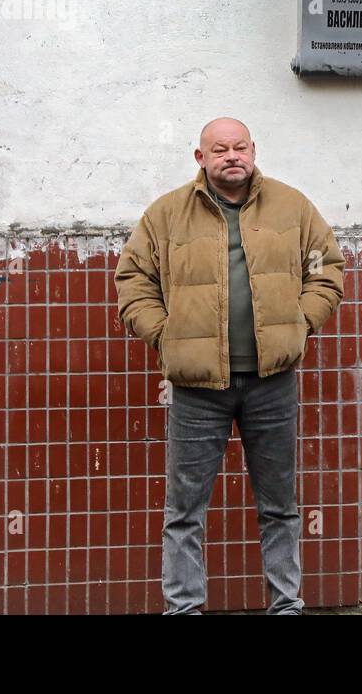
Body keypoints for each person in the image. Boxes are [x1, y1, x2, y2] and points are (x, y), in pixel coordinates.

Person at [115, 117, 344, 614]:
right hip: (197, 388)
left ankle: (286, 606)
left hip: (272, 383)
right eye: (219, 149)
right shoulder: (166, 214)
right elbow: (132, 278)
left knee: (280, 506)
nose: (231, 156)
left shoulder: (292, 207)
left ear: (254, 150)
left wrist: (299, 324)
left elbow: (327, 270)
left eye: (240, 146)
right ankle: (184, 609)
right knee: (184, 512)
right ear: (200, 158)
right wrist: (164, 334)